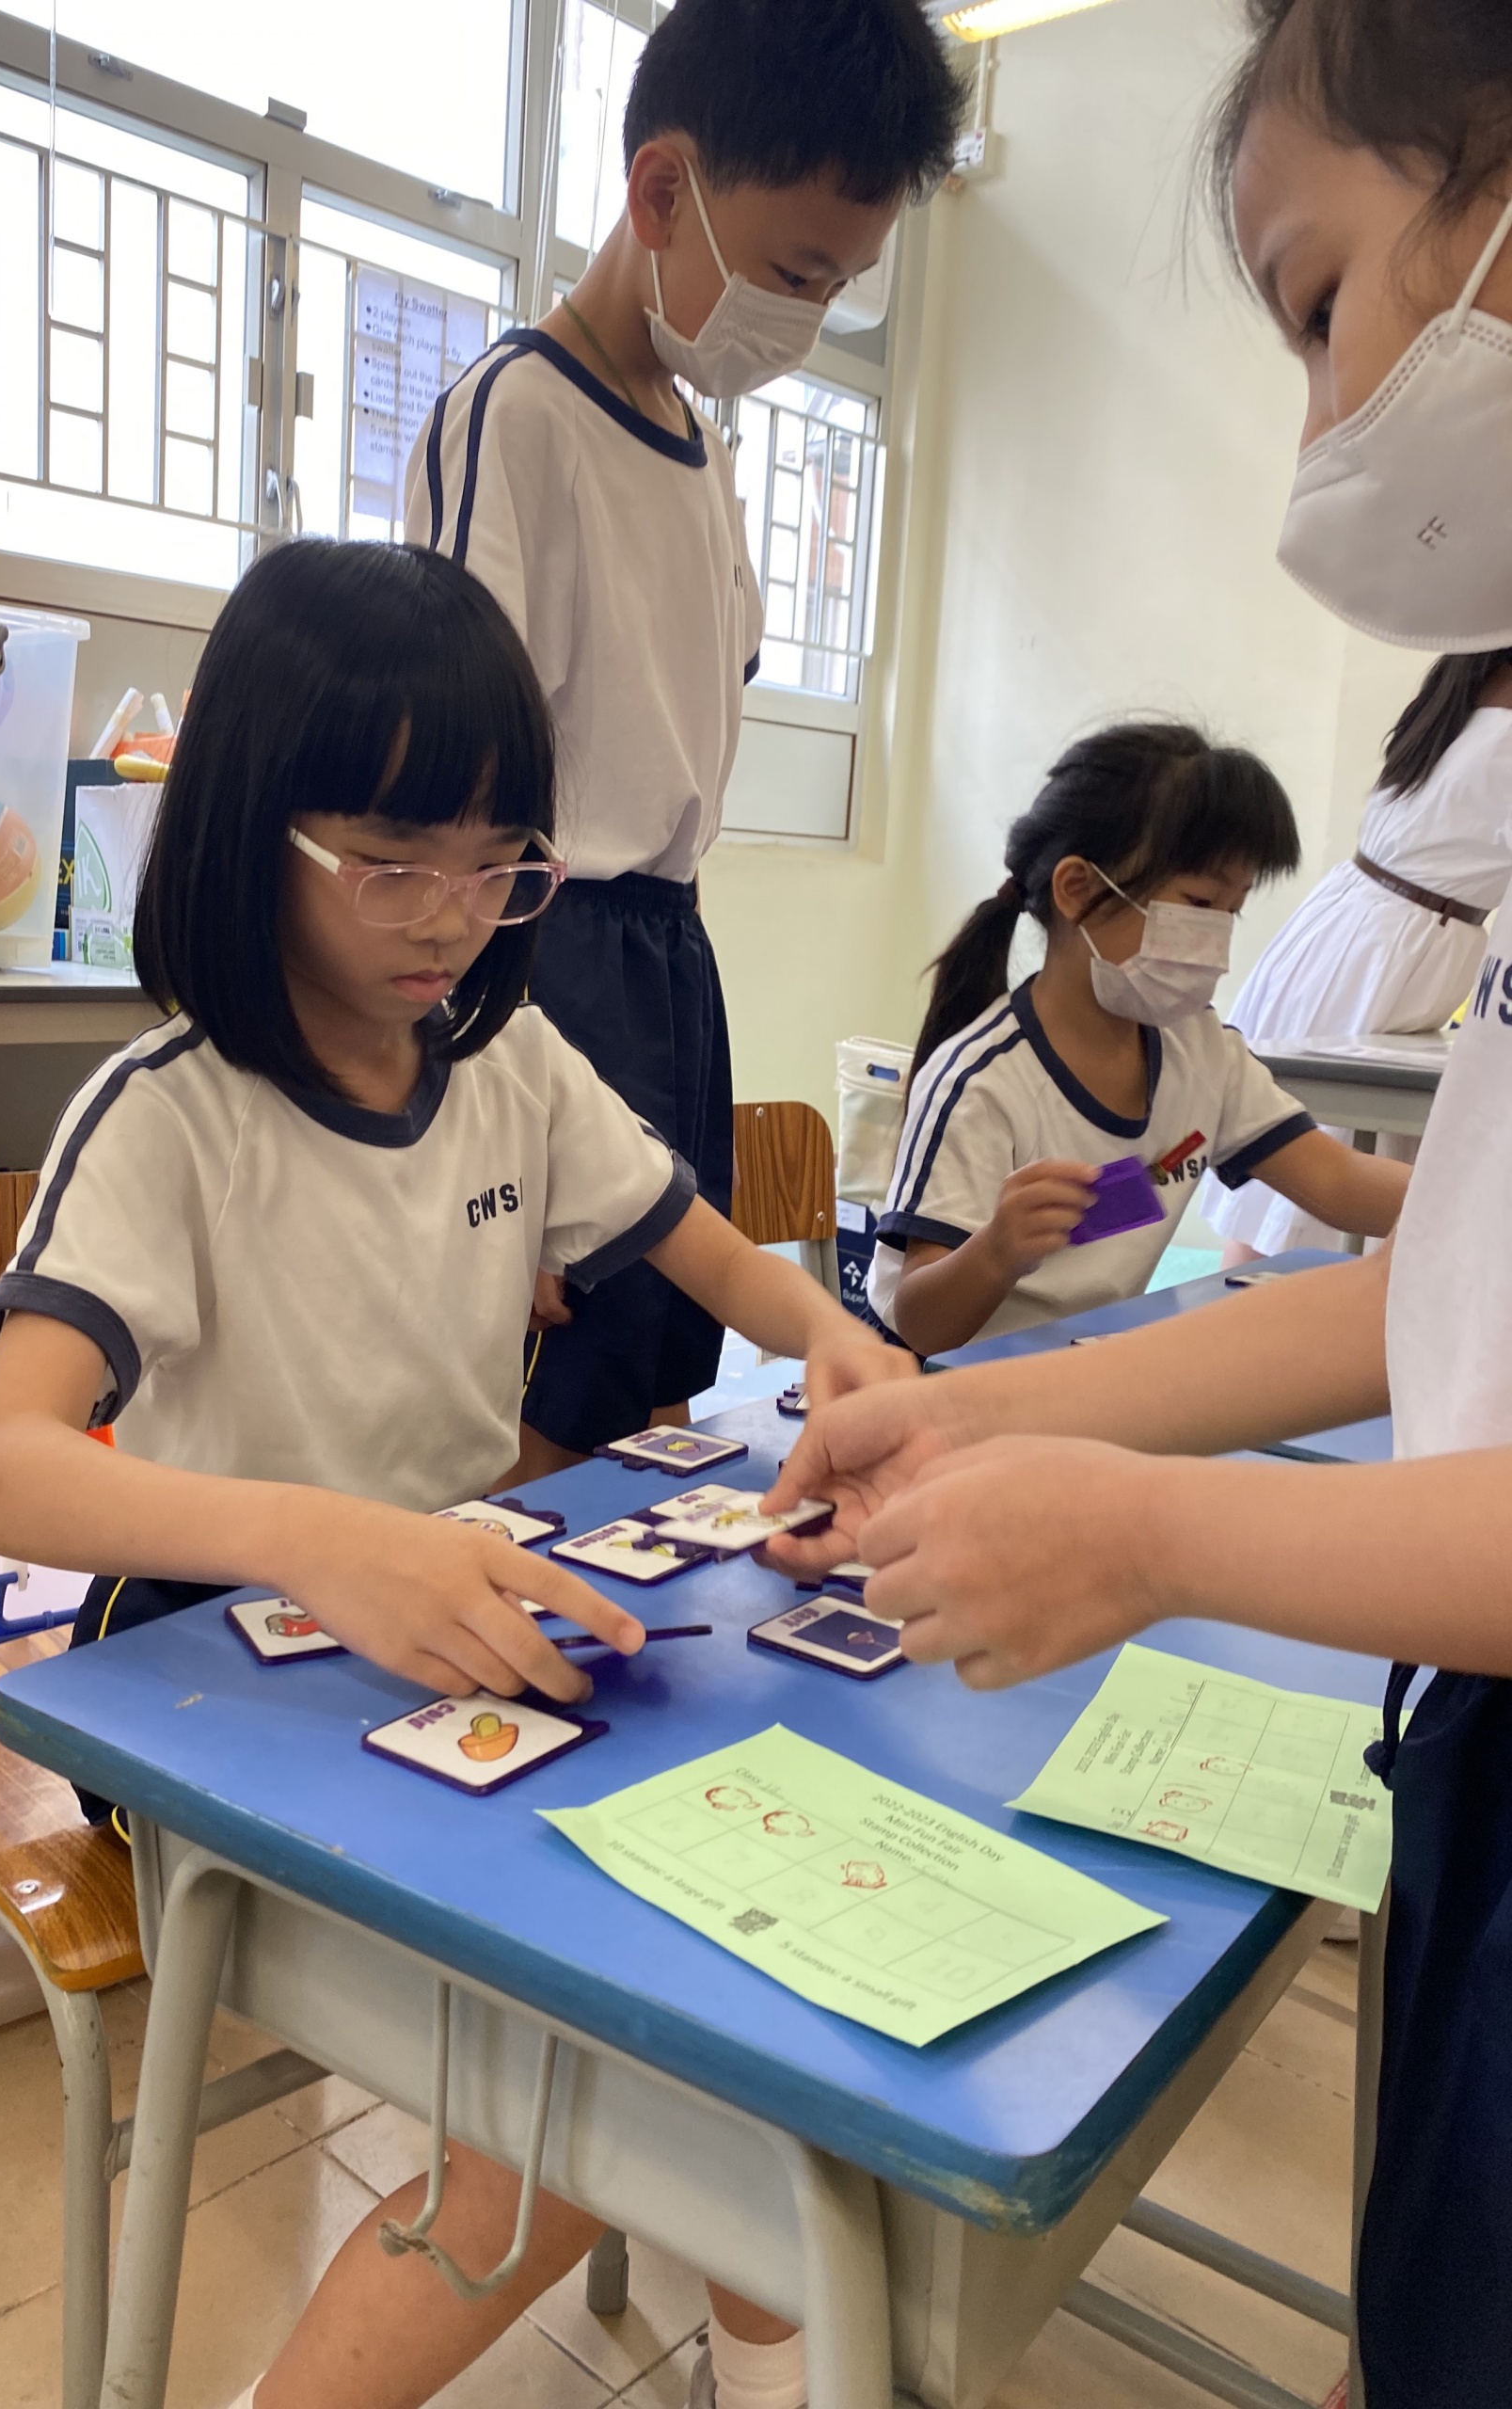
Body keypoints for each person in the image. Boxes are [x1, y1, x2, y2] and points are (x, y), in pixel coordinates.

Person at [762, 7, 1512, 2404]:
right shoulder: (983, 1077)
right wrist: (1003, 1410)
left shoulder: (1207, 1055)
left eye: (1318, 305)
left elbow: (1359, 1222)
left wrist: (1148, 1522)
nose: (1316, 427)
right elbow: (1442, 1286)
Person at [0, 538, 899, 2409]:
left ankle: (768, 2355)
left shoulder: (511, 1066)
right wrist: (322, 1537)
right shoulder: (169, 1116)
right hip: (210, 1681)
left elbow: (714, 1254)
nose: (452, 916)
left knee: (751, 1962)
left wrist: (838, 1341)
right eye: (392, 860)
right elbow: (2, 1471)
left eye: (498, 862)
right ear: (250, 832)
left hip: (449, 1628)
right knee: (577, 2106)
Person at [406, 0, 964, 1487]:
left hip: (668, 949)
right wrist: (453, 1092)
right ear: (662, 191)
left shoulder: (707, 450)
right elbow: (444, 780)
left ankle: (617, 1602)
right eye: (794, 273)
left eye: (839, 286)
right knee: (538, 1384)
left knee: (657, 1361)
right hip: (534, 945)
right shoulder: (516, 414)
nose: (806, 319)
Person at [869, 722, 1409, 1357]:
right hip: (944, 1383)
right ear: (1078, 890)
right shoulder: (980, 1082)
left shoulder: (1201, 1051)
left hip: (1085, 1368)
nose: (1218, 939)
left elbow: (1337, 1181)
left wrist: (1478, 1197)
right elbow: (921, 1326)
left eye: (1231, 911)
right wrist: (996, 1251)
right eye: (1199, 903)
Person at [1202, 647, 1512, 1257]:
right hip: (1387, 949)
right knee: (1308, 1168)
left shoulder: (1459, 685)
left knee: (1293, 1174)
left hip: (1361, 928)